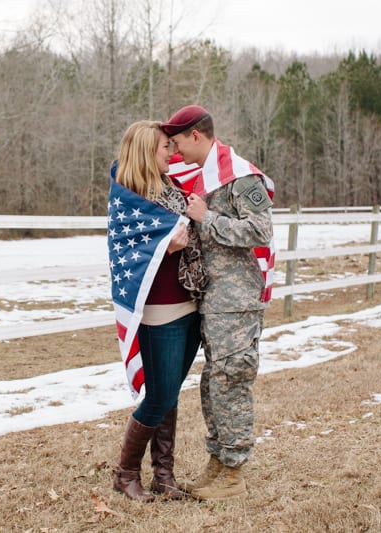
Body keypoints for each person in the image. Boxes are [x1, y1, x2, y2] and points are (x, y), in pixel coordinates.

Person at [160, 105, 274, 501]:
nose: (175, 153)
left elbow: (261, 230)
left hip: (237, 300)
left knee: (232, 381)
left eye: (177, 143)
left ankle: (234, 472)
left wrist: (207, 219)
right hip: (216, 299)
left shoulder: (237, 176)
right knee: (214, 384)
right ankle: (219, 460)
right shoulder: (208, 176)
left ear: (196, 135)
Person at [109, 120, 205, 502]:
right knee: (159, 396)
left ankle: (163, 475)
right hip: (158, 311)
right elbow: (130, 252)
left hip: (189, 302)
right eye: (167, 147)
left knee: (171, 393)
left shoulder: (174, 188)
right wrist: (164, 246)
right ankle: (125, 474)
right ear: (149, 150)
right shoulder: (130, 197)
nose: (173, 153)